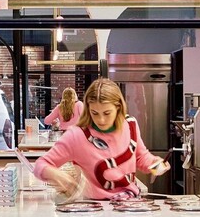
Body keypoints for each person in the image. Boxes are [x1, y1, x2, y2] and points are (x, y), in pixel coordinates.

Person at [33, 77, 170, 201]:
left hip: (129, 205)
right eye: (95, 113)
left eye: (107, 113)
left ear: (118, 107)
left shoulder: (130, 125)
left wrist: (156, 165)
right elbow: (40, 165)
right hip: (92, 209)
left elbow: (140, 157)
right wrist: (55, 174)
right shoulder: (76, 135)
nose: (101, 120)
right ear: (88, 109)